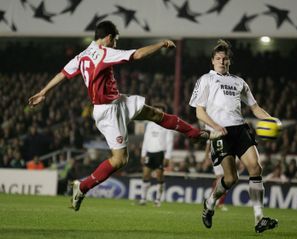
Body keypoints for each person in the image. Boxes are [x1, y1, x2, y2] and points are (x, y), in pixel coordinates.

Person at [28, 20, 214, 211]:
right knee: (120, 160)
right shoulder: (104, 52)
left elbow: (62, 74)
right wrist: (161, 44)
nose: (116, 44)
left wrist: (43, 92)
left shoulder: (82, 56)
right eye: (115, 40)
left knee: (156, 114)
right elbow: (139, 54)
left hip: (117, 102)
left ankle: (195, 134)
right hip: (108, 111)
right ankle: (81, 187)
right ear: (108, 38)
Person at [189, 39, 278, 233]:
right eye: (218, 58)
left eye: (225, 59)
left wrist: (272, 119)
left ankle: (259, 219)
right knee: (230, 179)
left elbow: (255, 108)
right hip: (220, 133)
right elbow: (199, 112)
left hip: (240, 129)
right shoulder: (206, 80)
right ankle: (210, 202)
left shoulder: (239, 82)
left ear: (229, 62)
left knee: (256, 167)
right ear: (212, 61)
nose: (222, 61)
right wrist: (215, 126)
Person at [139, 104, 174, 207]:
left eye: (159, 111)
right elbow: (146, 139)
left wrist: (168, 156)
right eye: (156, 111)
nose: (157, 113)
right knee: (145, 174)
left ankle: (158, 200)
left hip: (160, 153)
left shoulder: (168, 125)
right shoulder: (150, 124)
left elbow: (169, 142)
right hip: (149, 152)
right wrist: (143, 154)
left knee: (159, 176)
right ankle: (143, 199)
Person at [204, 142, 228, 211]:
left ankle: (213, 201)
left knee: (225, 180)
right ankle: (216, 202)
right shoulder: (213, 131)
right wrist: (206, 158)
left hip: (225, 156)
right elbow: (208, 144)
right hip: (216, 156)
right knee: (220, 179)